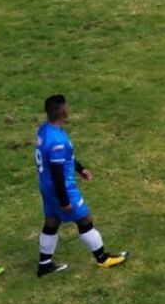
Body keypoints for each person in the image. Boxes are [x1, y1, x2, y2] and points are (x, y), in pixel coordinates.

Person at [35, 94, 128, 277]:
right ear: (64, 111)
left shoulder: (44, 130)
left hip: (46, 186)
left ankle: (44, 265)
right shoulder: (57, 141)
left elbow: (61, 160)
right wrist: (64, 201)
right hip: (61, 188)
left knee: (52, 221)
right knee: (85, 219)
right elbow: (57, 173)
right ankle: (103, 258)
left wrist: (80, 169)